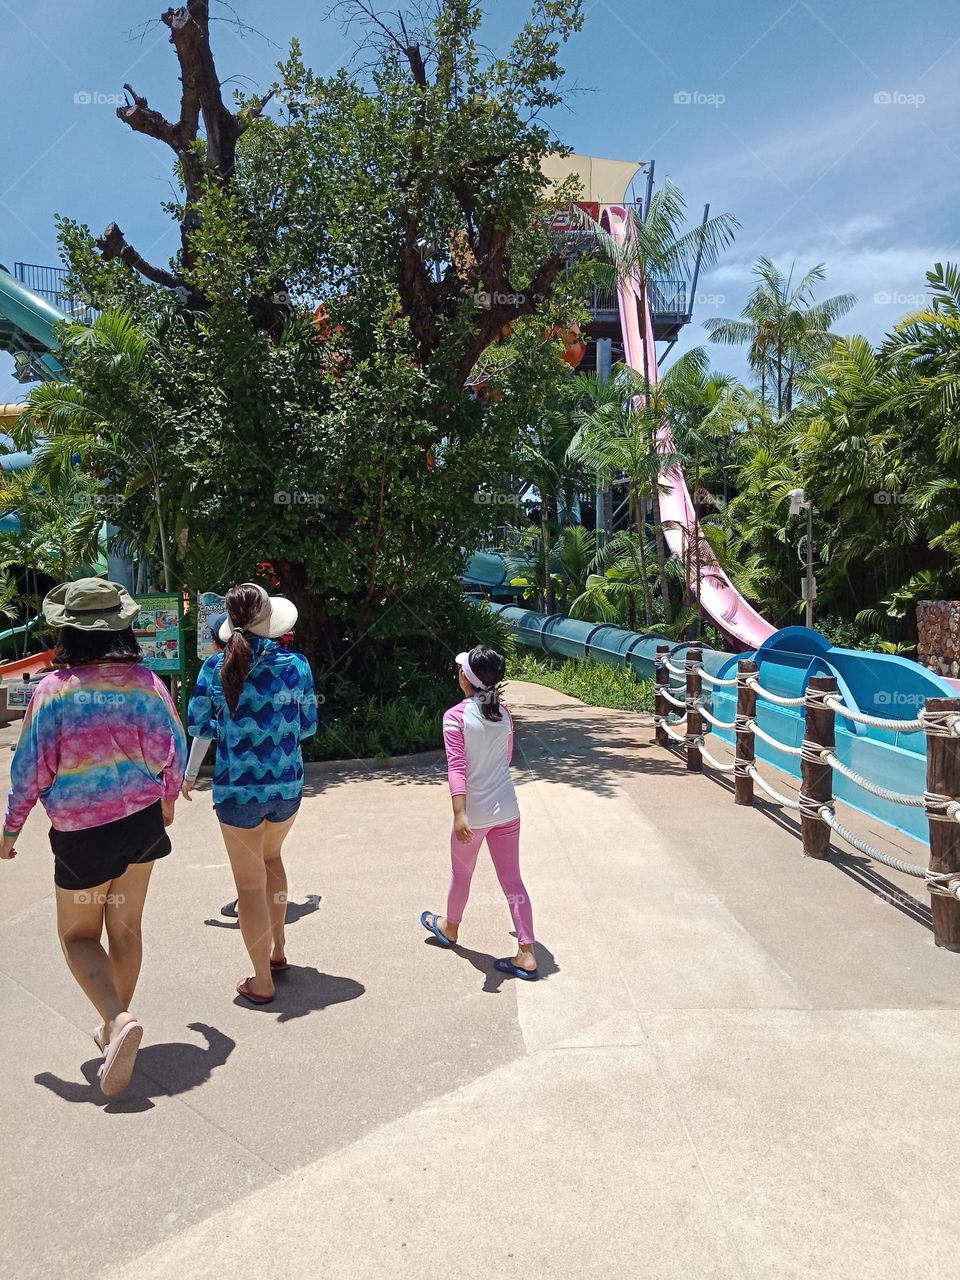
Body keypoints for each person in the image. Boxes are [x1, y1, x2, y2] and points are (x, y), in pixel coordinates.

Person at [0, 578, 186, 1097]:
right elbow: (175, 744)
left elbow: (30, 769)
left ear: (68, 632)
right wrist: (169, 797)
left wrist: (10, 829)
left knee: (78, 936)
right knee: (125, 928)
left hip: (82, 834)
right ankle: (113, 1030)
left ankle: (118, 1020)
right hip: (142, 823)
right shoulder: (148, 683)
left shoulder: (54, 691)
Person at [186, 583, 317, 1004]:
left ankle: (262, 982)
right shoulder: (296, 665)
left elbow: (200, 726)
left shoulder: (214, 667)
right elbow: (308, 726)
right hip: (287, 787)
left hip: (237, 793)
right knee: (272, 858)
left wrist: (194, 769)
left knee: (248, 885)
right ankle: (278, 952)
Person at [421, 645, 538, 979]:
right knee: (512, 879)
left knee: (462, 874)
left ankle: (450, 928)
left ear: (465, 679)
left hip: (474, 815)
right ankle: (527, 953)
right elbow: (506, 758)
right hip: (508, 810)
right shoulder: (505, 714)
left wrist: (460, 814)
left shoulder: (455, 717)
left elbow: (457, 767)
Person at [180, 612, 241, 920]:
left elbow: (201, 728)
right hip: (283, 780)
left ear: (217, 643)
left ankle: (249, 903)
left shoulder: (214, 668)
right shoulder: (282, 664)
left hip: (234, 782)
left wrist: (190, 775)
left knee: (245, 856)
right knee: (268, 853)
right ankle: (270, 913)